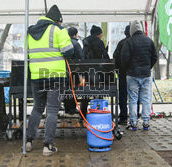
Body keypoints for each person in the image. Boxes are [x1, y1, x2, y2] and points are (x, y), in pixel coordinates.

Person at [26, 5, 74, 156]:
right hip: (55, 76)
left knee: (37, 108)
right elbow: (69, 51)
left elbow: (27, 53)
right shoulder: (58, 30)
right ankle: (48, 145)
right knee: (52, 110)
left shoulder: (30, 33)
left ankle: (28, 141)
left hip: (37, 77)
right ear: (57, 20)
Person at [121, 20, 157, 131]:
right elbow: (154, 57)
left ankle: (133, 123)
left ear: (132, 30)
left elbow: (124, 58)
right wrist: (147, 67)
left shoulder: (129, 42)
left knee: (132, 99)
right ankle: (146, 122)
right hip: (146, 74)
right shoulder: (149, 41)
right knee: (146, 99)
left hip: (132, 75)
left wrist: (128, 68)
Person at [80, 25, 110, 117]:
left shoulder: (85, 41)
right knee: (99, 91)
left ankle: (83, 114)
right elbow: (105, 56)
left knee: (86, 92)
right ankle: (98, 111)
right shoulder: (99, 42)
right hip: (97, 71)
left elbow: (83, 56)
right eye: (101, 34)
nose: (102, 35)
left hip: (86, 71)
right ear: (98, 34)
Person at [63, 27, 84, 114]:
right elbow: (80, 58)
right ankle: (72, 109)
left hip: (63, 71)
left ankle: (67, 108)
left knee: (66, 89)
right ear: (76, 34)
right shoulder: (76, 44)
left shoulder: (64, 43)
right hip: (74, 71)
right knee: (73, 90)